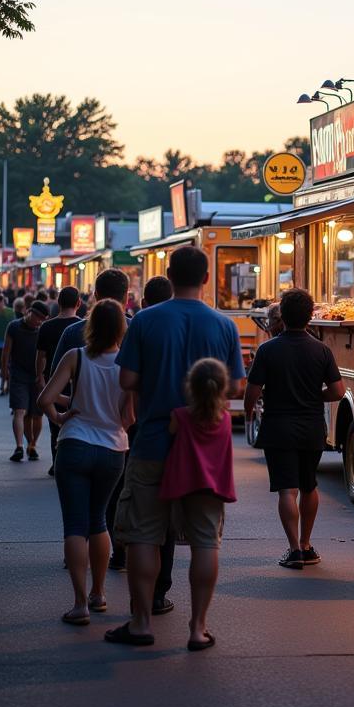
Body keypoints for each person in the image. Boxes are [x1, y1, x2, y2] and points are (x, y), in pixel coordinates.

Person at [108, 246, 245, 647]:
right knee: (205, 539)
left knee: (144, 535)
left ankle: (141, 623)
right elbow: (236, 386)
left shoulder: (147, 320)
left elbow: (127, 380)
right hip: (205, 449)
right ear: (206, 278)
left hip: (153, 443)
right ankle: (198, 628)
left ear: (169, 275)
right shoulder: (224, 326)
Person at [39, 299, 132, 626]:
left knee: (75, 525)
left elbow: (44, 399)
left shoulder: (75, 356)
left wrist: (62, 415)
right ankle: (99, 593)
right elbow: (128, 417)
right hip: (112, 449)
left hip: (75, 444)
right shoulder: (127, 365)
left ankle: (79, 604)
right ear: (122, 328)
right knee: (99, 520)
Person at [243, 289, 344, 571]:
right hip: (312, 427)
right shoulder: (321, 349)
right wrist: (315, 396)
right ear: (311, 316)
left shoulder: (268, 350)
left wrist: (249, 414)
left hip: (278, 427)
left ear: (282, 317)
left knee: (287, 490)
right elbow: (338, 391)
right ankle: (307, 543)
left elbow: (253, 390)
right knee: (309, 485)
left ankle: (294, 550)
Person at [159, 357, 236, 650]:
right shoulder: (226, 419)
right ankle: (198, 625)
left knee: (161, 537)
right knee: (206, 547)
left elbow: (169, 436)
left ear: (190, 386)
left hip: (180, 488)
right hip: (211, 492)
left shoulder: (179, 416)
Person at [106, 273, 172, 573]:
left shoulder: (139, 325)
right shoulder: (212, 323)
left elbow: (127, 381)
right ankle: (193, 617)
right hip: (186, 438)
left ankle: (142, 612)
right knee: (191, 531)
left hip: (140, 434)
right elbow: (234, 385)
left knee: (136, 513)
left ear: (143, 302)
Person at [36, 286, 83, 475]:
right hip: (76, 380)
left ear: (58, 303)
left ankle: (57, 461)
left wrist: (39, 375)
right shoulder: (82, 327)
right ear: (78, 303)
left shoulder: (47, 326)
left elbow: (41, 356)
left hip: (52, 379)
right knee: (76, 420)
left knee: (55, 424)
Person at [2, 300, 48, 461]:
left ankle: (32, 444)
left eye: (43, 319)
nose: (40, 321)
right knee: (20, 411)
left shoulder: (43, 329)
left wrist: (43, 376)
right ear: (29, 312)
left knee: (36, 415)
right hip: (18, 374)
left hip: (37, 376)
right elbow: (6, 351)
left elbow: (46, 355)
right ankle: (19, 446)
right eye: (38, 317)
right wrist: (4, 371)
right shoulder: (14, 326)